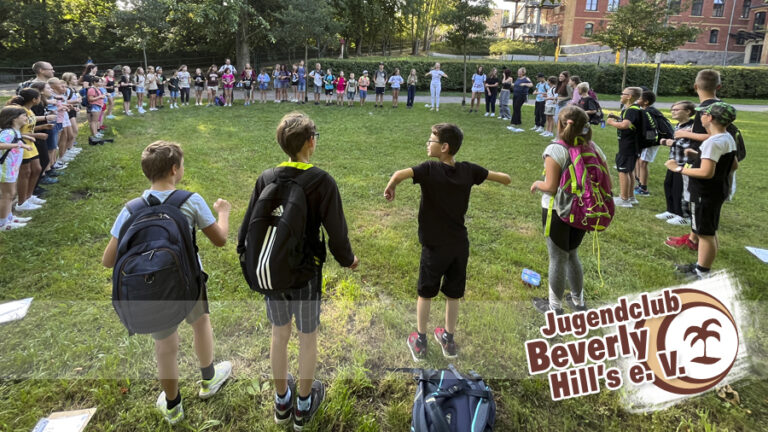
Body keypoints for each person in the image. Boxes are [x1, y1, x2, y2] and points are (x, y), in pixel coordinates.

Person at [237, 112, 358, 430]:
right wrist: (348, 260)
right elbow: (337, 232)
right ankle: (303, 406)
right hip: (305, 274)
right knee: (307, 337)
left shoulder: (266, 177)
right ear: (310, 142)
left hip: (272, 272)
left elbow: (248, 226)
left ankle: (281, 402)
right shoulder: (322, 181)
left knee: (279, 334)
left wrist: (244, 256)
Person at [102, 140, 233, 425]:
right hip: (189, 280)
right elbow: (220, 239)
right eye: (182, 164)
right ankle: (209, 379)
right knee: (201, 323)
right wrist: (223, 212)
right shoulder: (190, 200)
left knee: (164, 343)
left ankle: (173, 405)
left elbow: (108, 260)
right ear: (175, 169)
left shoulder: (130, 209)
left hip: (153, 288)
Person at [384, 123, 511, 361]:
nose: (427, 143)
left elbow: (399, 174)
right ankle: (448, 340)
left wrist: (391, 187)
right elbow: (504, 178)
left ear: (443, 147)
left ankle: (420, 342)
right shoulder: (468, 170)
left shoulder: (430, 169)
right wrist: (504, 179)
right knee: (453, 294)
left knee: (425, 292)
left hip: (434, 246)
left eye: (430, 140)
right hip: (459, 246)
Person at [530, 105, 610, 314]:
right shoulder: (594, 148)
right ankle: (578, 301)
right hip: (584, 211)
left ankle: (554, 307)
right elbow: (604, 179)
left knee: (557, 258)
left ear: (560, 123)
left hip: (557, 212)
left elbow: (551, 187)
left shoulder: (556, 149)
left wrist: (537, 184)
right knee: (572, 254)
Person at [664, 103, 738, 280]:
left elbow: (706, 172)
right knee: (709, 230)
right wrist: (699, 157)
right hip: (717, 190)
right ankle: (702, 265)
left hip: (704, 192)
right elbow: (733, 164)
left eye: (702, 114)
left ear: (710, 118)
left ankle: (702, 272)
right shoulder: (726, 137)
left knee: (704, 234)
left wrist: (678, 169)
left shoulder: (713, 142)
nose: (700, 117)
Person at [665, 69, 723, 251]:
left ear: (695, 86)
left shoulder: (707, 110)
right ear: (719, 86)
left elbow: (713, 135)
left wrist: (685, 134)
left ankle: (699, 244)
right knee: (698, 205)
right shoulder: (719, 107)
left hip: (703, 163)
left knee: (698, 202)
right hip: (705, 159)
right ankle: (693, 237)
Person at [7, 89, 50, 213]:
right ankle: (21, 202)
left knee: (37, 169)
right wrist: (38, 135)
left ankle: (28, 196)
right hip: (22, 144)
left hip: (30, 143)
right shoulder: (20, 112)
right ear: (34, 99)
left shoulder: (30, 111)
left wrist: (42, 127)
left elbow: (30, 127)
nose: (40, 99)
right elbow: (17, 132)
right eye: (39, 97)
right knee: (25, 173)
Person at [657, 101, 695, 226]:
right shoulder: (678, 125)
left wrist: (671, 142)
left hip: (684, 164)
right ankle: (671, 210)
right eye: (672, 109)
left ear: (688, 111)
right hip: (673, 162)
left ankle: (684, 216)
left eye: (677, 109)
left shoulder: (693, 127)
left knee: (680, 190)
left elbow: (691, 145)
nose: (673, 111)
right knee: (669, 185)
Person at [606, 87, 643, 207]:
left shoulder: (631, 110)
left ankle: (624, 199)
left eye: (623, 93)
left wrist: (611, 122)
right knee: (629, 171)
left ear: (629, 96)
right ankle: (631, 197)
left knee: (623, 171)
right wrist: (617, 118)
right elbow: (629, 122)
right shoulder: (633, 109)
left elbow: (625, 125)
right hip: (632, 144)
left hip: (628, 145)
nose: (620, 95)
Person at [0, 106, 35, 231]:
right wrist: (19, 145)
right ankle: (3, 223)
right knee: (7, 195)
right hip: (5, 168)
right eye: (23, 116)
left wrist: (25, 138)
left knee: (11, 194)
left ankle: (8, 217)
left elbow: (16, 138)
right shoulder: (8, 132)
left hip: (12, 167)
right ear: (14, 118)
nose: (26, 118)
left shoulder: (15, 131)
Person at [635, 90, 662, 197]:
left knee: (643, 162)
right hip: (648, 141)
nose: (637, 100)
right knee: (640, 161)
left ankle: (643, 188)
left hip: (651, 142)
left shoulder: (649, 112)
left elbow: (652, 128)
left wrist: (648, 143)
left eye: (639, 99)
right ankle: (640, 183)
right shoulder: (647, 110)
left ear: (646, 102)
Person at [508, 67, 532, 133]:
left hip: (521, 96)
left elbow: (531, 84)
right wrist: (511, 84)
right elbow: (515, 85)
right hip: (515, 95)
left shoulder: (526, 78)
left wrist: (525, 84)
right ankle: (518, 121)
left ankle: (513, 123)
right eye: (518, 71)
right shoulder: (518, 79)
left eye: (519, 71)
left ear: (523, 72)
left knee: (516, 108)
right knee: (516, 108)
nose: (518, 72)